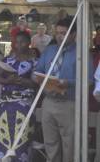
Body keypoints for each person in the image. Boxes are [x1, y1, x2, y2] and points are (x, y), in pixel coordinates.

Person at [34, 17, 93, 162]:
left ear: (73, 35)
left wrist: (68, 83)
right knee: (50, 143)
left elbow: (89, 81)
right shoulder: (50, 50)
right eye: (58, 33)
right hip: (49, 101)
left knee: (70, 146)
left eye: (64, 33)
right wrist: (37, 78)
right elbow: (37, 71)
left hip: (69, 103)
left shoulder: (82, 53)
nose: (60, 36)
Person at [0, 32, 37, 162]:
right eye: (16, 42)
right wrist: (7, 81)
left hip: (24, 106)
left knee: (21, 141)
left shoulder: (34, 62)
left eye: (22, 42)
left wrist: (21, 81)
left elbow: (37, 83)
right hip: (6, 106)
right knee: (3, 137)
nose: (18, 45)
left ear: (29, 43)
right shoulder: (8, 60)